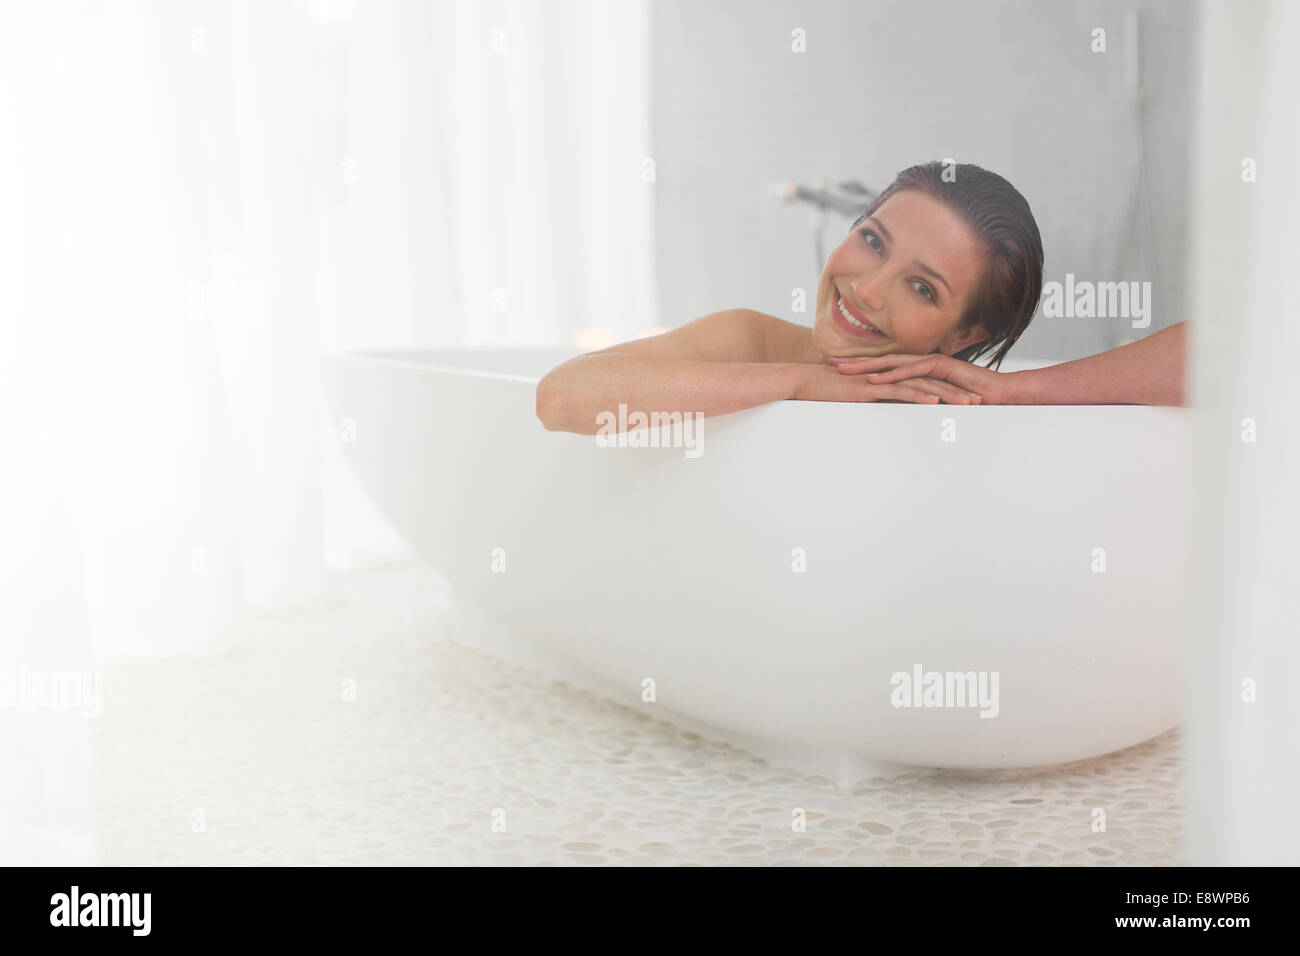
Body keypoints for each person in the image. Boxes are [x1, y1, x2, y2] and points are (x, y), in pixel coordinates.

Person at [536, 160, 1187, 435]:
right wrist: (799, 383)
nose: (867, 289)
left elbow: (1252, 352)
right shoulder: (754, 345)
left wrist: (1020, 389)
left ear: (961, 337)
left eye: (923, 286)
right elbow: (561, 397)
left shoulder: (958, 407)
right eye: (873, 241)